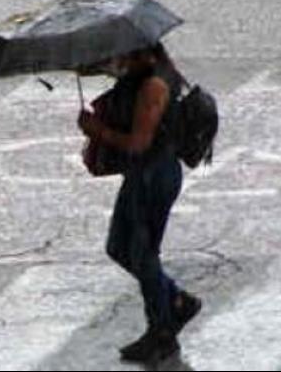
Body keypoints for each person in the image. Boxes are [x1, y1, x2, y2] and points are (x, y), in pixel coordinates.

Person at [76, 42, 202, 364]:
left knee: (143, 255)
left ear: (142, 55)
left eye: (124, 56)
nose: (118, 63)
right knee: (118, 246)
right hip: (141, 174)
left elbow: (138, 143)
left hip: (154, 176)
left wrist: (97, 130)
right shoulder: (139, 76)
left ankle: (162, 333)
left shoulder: (154, 85)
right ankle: (175, 299)